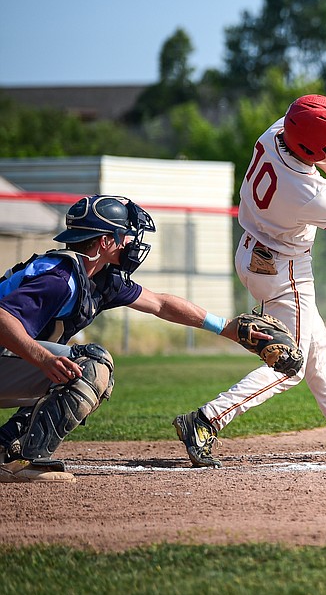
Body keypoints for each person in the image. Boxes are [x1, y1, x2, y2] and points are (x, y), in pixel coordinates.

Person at [173, 94, 326, 468]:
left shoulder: (280, 130)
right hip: (283, 271)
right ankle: (207, 418)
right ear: (309, 145)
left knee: (318, 350)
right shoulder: (307, 191)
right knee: (292, 364)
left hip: (256, 253)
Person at [0, 195, 251, 483]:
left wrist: (226, 327)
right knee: (91, 366)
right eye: (124, 235)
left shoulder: (98, 277)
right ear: (105, 241)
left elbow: (160, 304)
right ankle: (30, 461)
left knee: (85, 373)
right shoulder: (60, 277)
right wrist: (42, 358)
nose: (130, 242)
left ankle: (6, 445)